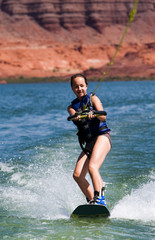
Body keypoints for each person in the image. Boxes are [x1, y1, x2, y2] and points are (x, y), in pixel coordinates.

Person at [67, 73, 111, 206]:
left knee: (92, 166)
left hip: (102, 137)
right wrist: (78, 117)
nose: (79, 89)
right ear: (72, 88)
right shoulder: (71, 107)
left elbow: (103, 117)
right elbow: (73, 116)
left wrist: (95, 114)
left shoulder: (93, 98)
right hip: (90, 142)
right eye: (76, 87)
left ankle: (100, 198)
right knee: (77, 175)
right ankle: (92, 201)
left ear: (86, 86)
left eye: (82, 86)